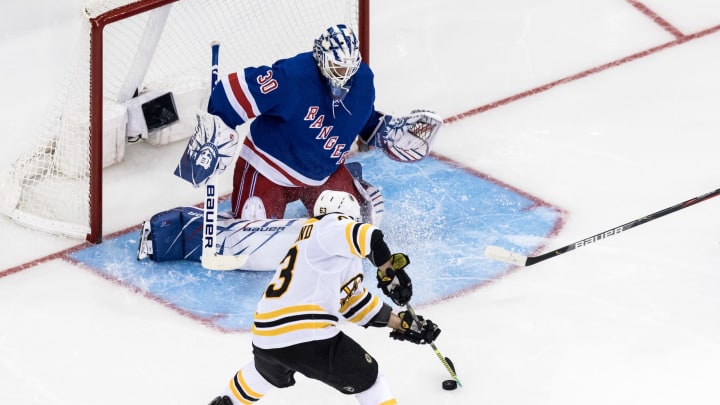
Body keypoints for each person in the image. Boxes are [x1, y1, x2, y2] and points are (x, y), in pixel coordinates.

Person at [206, 190, 441, 405]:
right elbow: (370, 237)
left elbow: (354, 304)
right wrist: (389, 272)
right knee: (370, 380)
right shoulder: (329, 225)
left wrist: (402, 323)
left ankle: (226, 402)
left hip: (266, 334)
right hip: (308, 332)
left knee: (263, 373)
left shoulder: (318, 249)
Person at [198, 23, 442, 224]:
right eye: (336, 67)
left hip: (321, 175)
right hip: (268, 169)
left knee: (353, 222)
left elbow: (361, 120)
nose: (343, 76)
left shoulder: (364, 82)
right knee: (255, 220)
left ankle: (350, 185)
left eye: (349, 68)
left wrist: (386, 132)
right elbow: (229, 93)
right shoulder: (293, 75)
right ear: (321, 59)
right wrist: (217, 130)